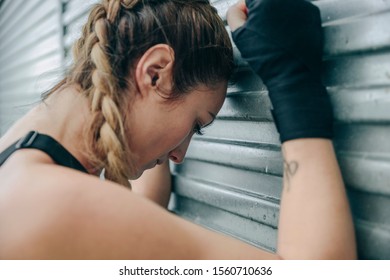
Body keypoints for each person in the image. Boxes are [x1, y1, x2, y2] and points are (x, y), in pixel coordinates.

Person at [0, 0, 356, 259]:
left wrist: (151, 116)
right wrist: (291, 81)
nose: (179, 154)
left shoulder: (24, 150)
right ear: (154, 73)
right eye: (195, 125)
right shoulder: (54, 203)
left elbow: (138, 212)